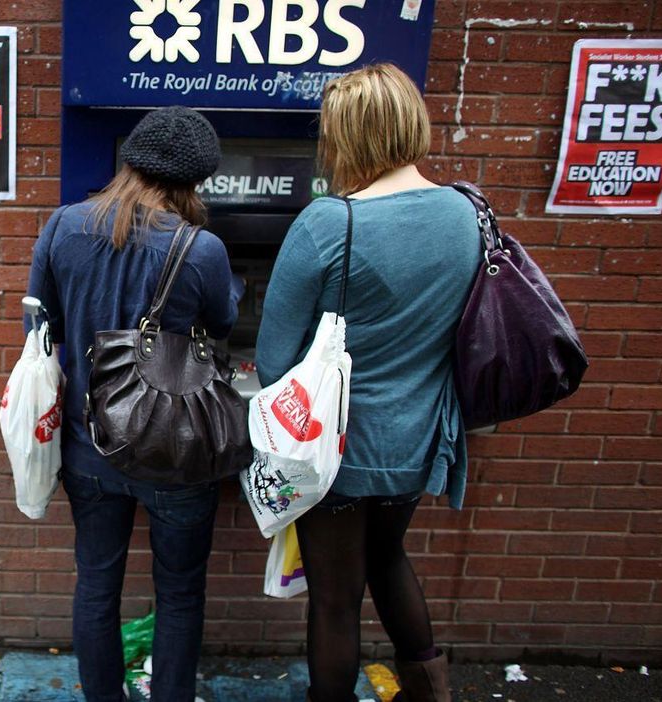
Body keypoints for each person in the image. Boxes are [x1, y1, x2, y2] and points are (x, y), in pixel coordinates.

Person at [254, 63, 480, 702]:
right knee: (388, 559)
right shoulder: (466, 214)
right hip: (417, 441)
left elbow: (274, 360)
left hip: (338, 454)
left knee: (334, 601)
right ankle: (430, 691)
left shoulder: (330, 222)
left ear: (348, 138)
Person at [26, 106, 241, 702]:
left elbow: (43, 323)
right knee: (179, 593)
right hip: (175, 448)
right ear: (194, 180)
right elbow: (222, 323)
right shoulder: (202, 250)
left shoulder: (64, 226)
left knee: (96, 585)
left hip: (89, 443)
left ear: (131, 161)